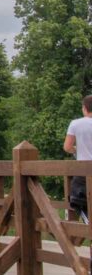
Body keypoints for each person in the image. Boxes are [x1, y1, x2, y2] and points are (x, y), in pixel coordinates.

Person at [63, 94, 92, 223]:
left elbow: (67, 147)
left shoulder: (75, 124)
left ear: (85, 108)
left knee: (79, 202)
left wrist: (76, 150)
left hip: (83, 172)